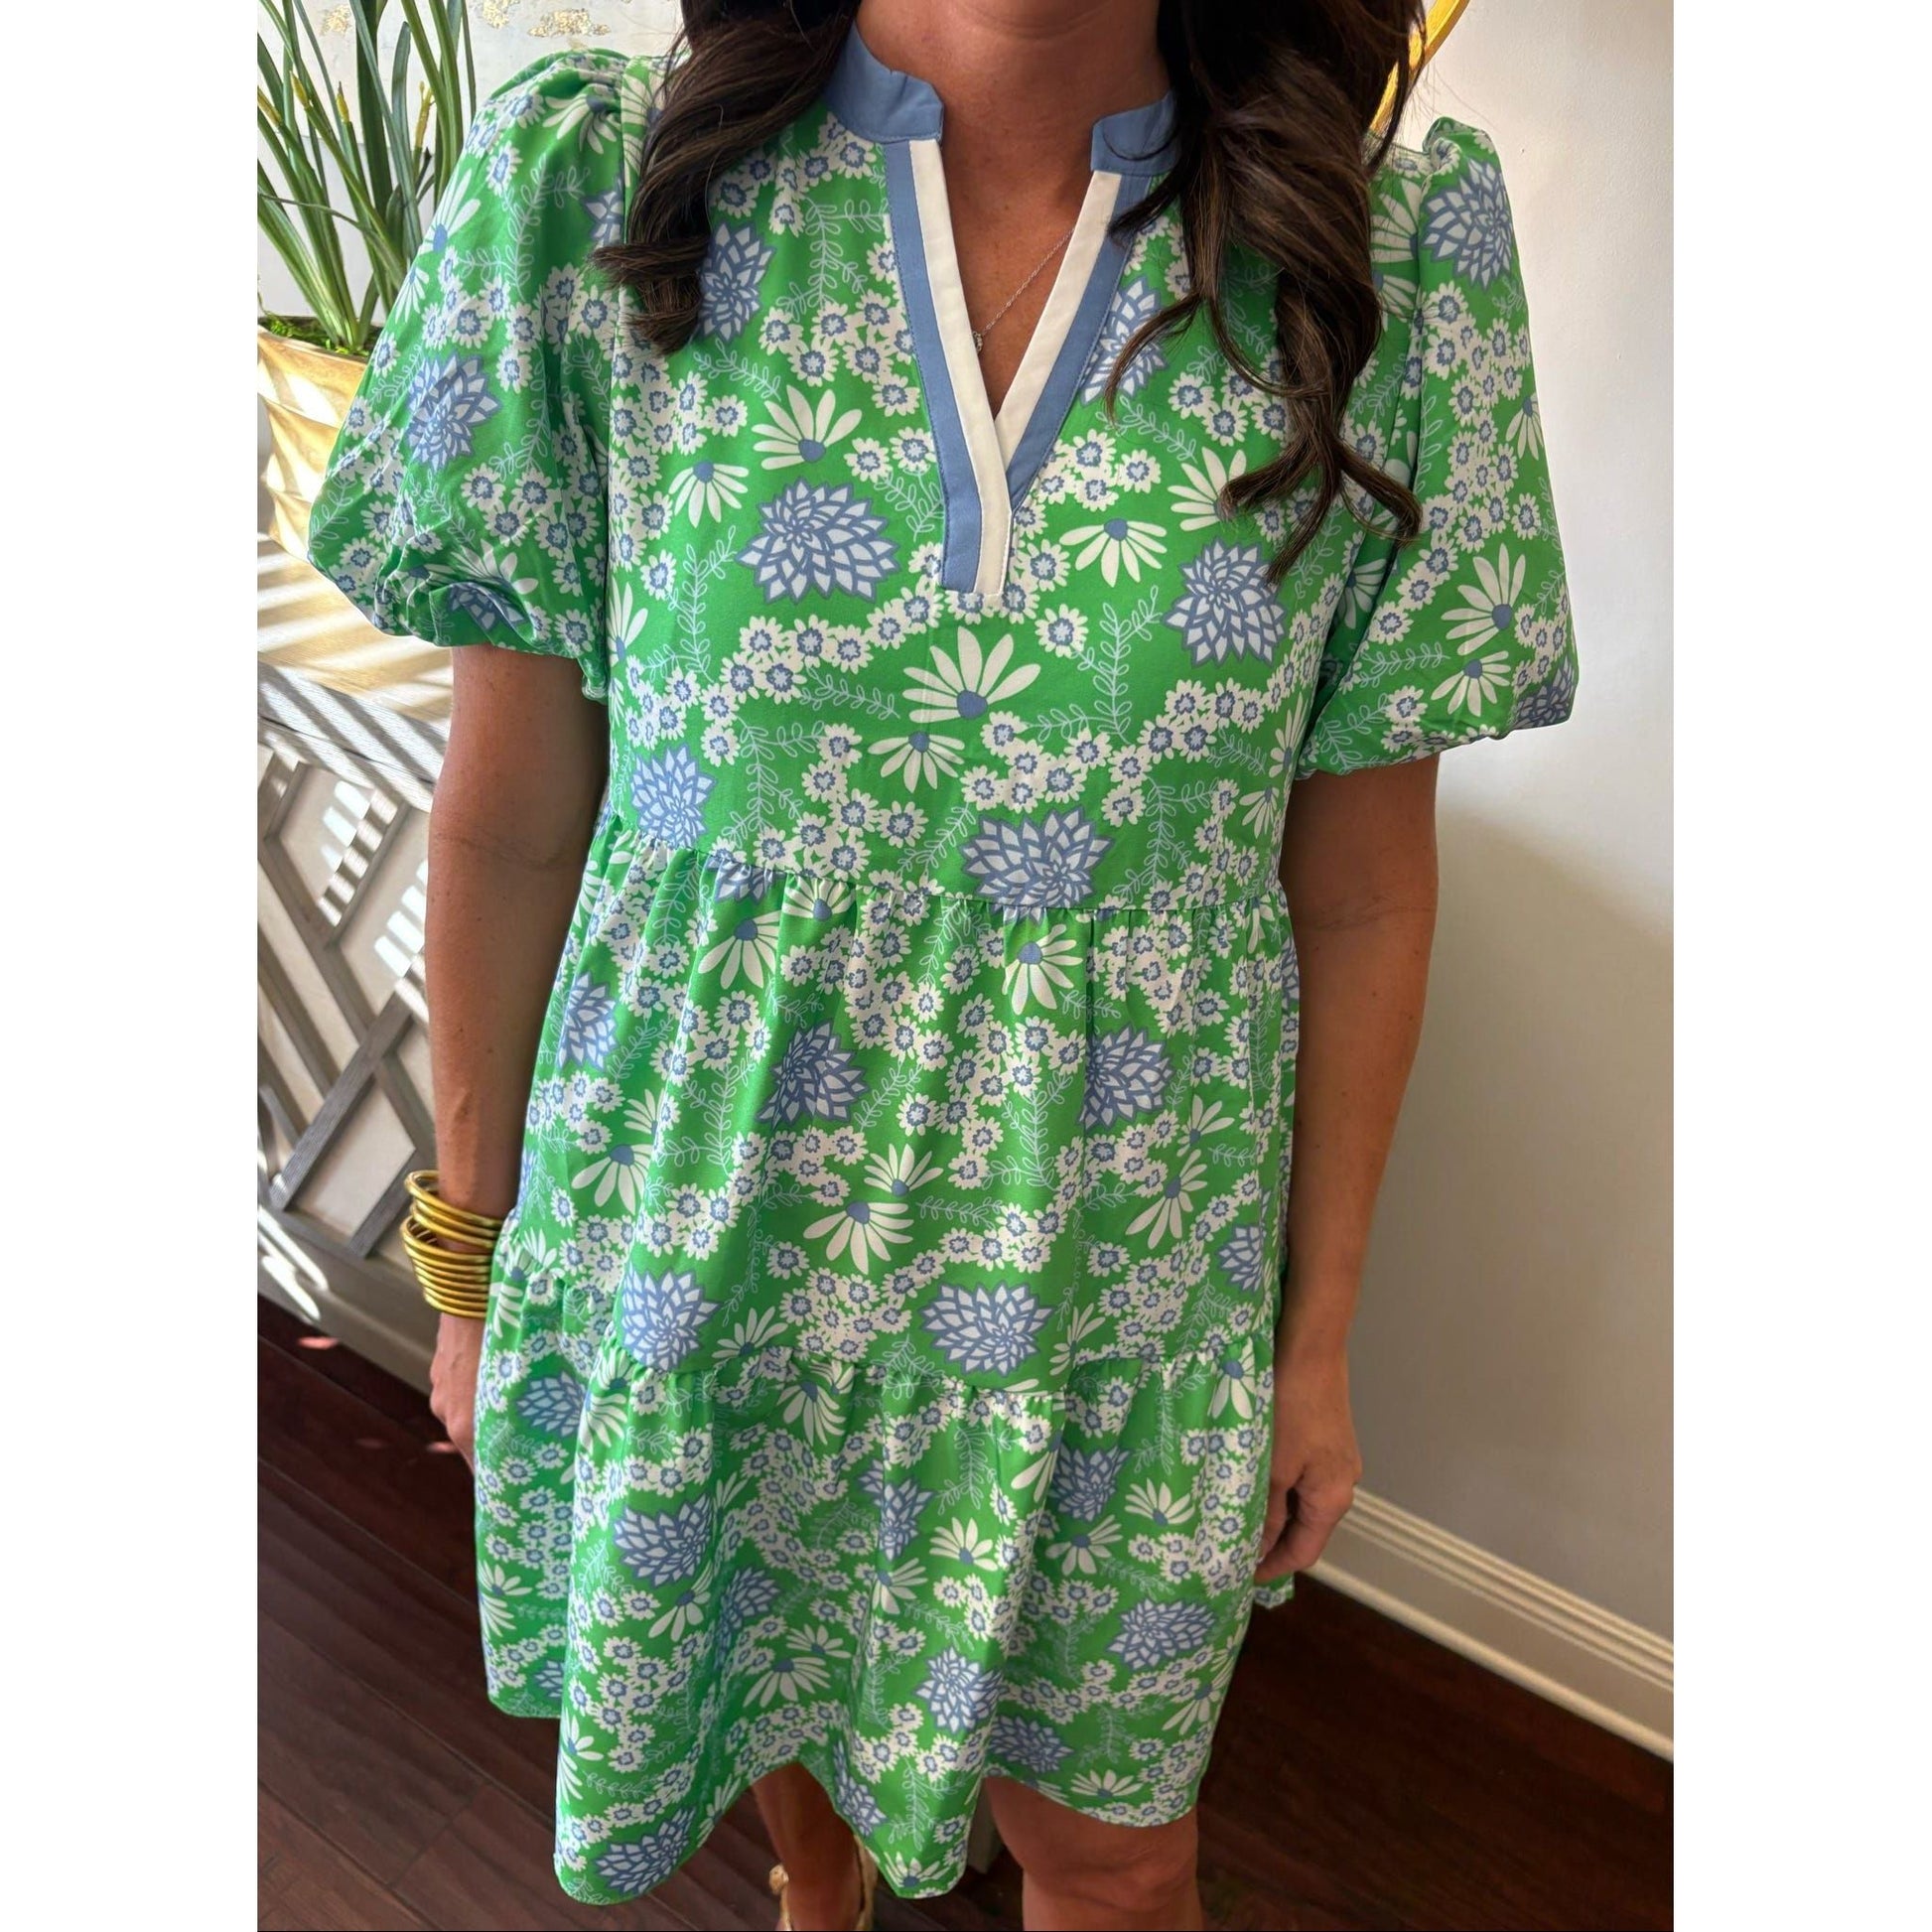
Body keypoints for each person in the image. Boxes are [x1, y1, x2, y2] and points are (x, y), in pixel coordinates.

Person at [306, 1, 1576, 1925]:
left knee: (1117, 1857)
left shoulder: (1381, 255)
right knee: (774, 1698)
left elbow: (1361, 887)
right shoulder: (609, 184)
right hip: (711, 1245)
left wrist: (1311, 1341)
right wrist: (471, 1259)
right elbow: (508, 817)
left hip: (1115, 1300)